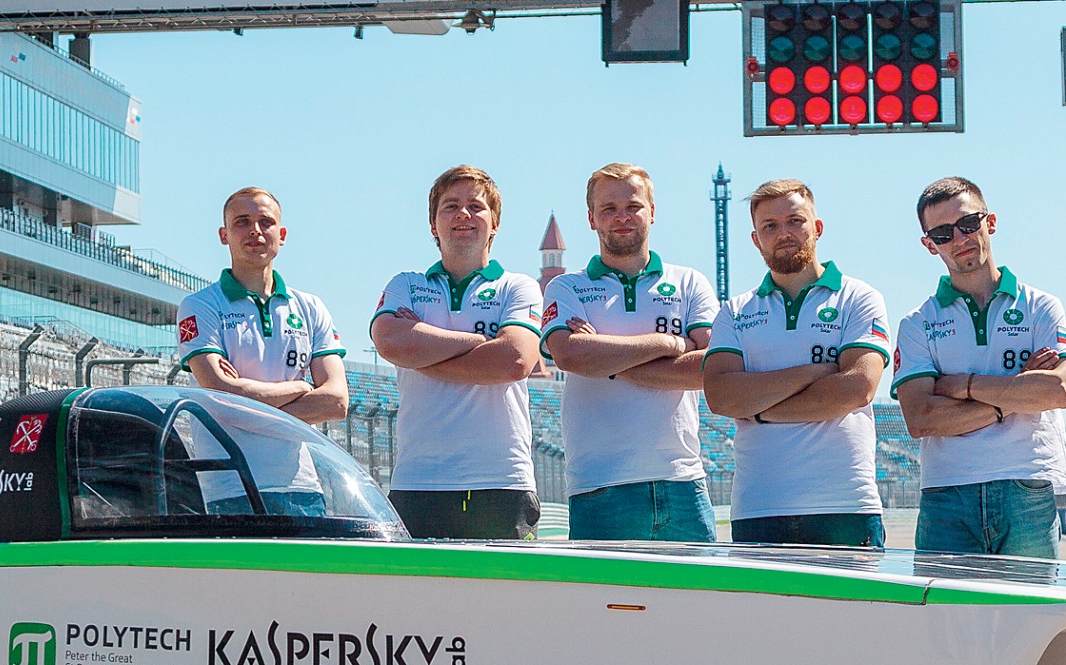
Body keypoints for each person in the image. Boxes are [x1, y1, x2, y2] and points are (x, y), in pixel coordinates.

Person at [890, 176, 1066, 665]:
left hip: (1026, 488)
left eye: (967, 224)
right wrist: (1008, 395)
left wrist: (965, 386)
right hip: (949, 497)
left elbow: (1056, 390)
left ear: (989, 221)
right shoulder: (917, 323)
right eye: (943, 233)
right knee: (946, 650)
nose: (959, 240)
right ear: (929, 245)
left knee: (1029, 644)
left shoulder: (1041, 305)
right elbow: (920, 417)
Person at [702, 179, 889, 547]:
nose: (783, 233)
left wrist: (759, 410)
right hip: (759, 508)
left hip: (845, 505)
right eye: (770, 226)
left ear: (817, 227)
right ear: (756, 239)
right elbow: (721, 397)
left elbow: (857, 389)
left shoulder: (858, 297)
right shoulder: (735, 311)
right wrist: (814, 371)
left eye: (795, 221)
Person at [541, 163, 720, 542]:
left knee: (696, 584)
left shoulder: (689, 282)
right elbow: (571, 357)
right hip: (600, 487)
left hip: (683, 482)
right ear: (591, 218)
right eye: (608, 208)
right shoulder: (566, 287)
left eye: (633, 206)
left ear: (652, 212)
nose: (622, 217)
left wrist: (605, 357)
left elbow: (712, 367)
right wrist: (670, 344)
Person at [371, 166, 545, 539]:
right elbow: (390, 343)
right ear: (433, 225)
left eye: (475, 206)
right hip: (419, 481)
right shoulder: (406, 285)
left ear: (495, 223)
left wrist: (422, 354)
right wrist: (480, 341)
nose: (463, 214)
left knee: (504, 581)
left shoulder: (518, 287)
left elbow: (514, 360)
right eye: (450, 206)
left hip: (502, 480)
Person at [175, 187, 348, 515]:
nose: (255, 230)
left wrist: (246, 401)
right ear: (224, 235)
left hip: (303, 489)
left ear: (282, 235)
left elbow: (337, 402)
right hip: (231, 488)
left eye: (265, 222)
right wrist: (299, 388)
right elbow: (222, 397)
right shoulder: (200, 305)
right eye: (242, 222)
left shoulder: (310, 307)